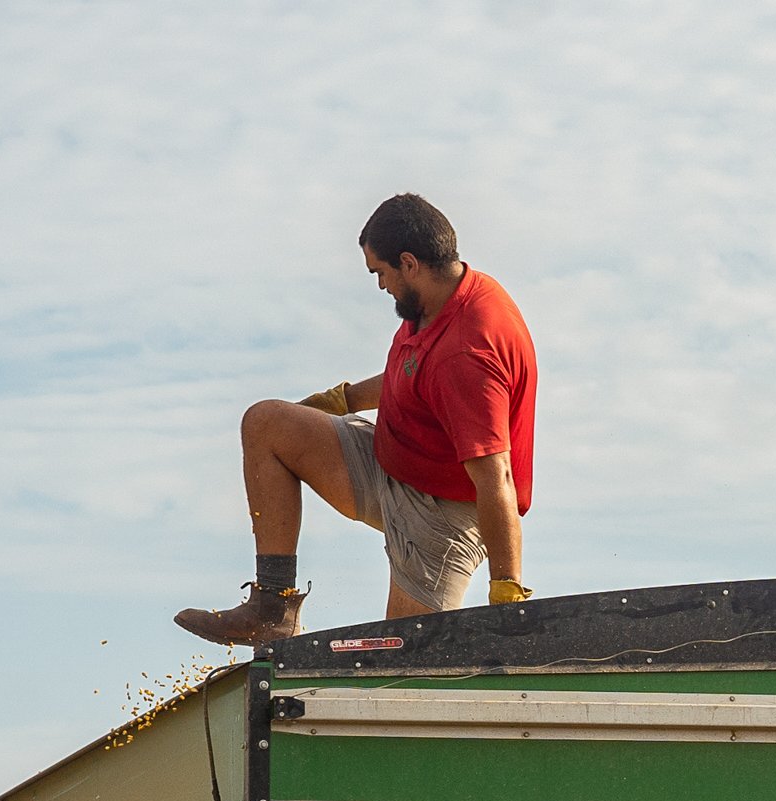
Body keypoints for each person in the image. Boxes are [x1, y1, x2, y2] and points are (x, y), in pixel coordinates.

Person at [175, 194, 539, 645]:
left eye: (380, 273)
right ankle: (272, 608)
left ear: (409, 263)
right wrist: (339, 401)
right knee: (267, 422)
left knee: (401, 659)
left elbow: (496, 476)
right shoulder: (438, 300)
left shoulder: (468, 352)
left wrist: (507, 594)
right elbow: (413, 371)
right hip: (391, 462)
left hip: (442, 516)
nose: (381, 286)